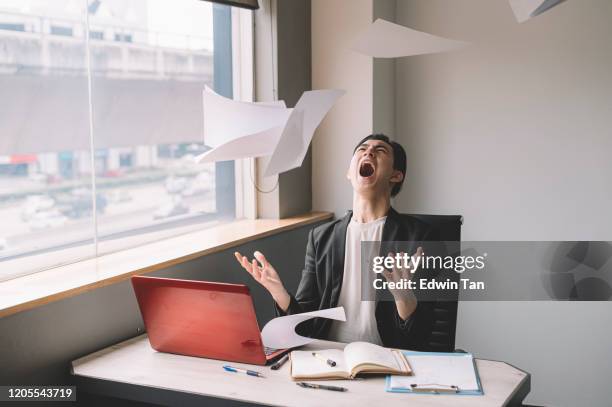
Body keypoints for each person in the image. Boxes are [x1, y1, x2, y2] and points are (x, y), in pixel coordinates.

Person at [234, 134, 439, 350]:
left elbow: (421, 338)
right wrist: (279, 293)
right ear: (349, 173)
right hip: (328, 356)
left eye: (380, 151)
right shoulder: (321, 238)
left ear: (396, 175)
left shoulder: (420, 239)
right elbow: (305, 325)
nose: (368, 152)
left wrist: (404, 297)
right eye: (362, 149)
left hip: (389, 360)